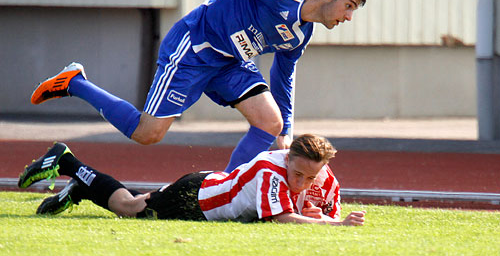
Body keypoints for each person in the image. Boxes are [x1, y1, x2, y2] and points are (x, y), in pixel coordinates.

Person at [29, 0, 367, 172]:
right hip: (193, 47)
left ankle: (225, 191)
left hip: (231, 63)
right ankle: (75, 82)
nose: (349, 17)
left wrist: (286, 129)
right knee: (148, 134)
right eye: (348, 6)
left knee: (270, 121)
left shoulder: (300, 35)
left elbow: (284, 75)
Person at [18, 134, 366, 226]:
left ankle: (84, 187)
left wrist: (332, 220)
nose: (303, 183)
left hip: (208, 193)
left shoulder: (323, 176)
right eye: (298, 174)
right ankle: (68, 162)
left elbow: (328, 213)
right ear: (287, 159)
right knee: (126, 207)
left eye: (311, 176)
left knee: (134, 201)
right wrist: (331, 226)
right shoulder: (269, 170)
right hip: (197, 198)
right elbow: (283, 218)